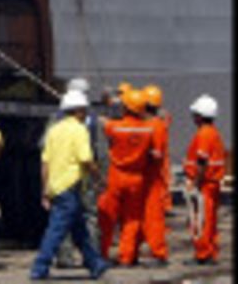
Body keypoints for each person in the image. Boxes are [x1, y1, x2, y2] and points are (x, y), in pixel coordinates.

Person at [29, 90, 110, 280]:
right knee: (56, 230)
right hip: (70, 187)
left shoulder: (54, 131)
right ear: (79, 111)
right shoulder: (79, 129)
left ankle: (95, 263)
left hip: (57, 187)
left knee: (79, 228)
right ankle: (40, 267)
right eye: (85, 110)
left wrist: (45, 190)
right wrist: (99, 177)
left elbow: (45, 163)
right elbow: (86, 159)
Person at [97, 87, 161, 266]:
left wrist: (101, 114)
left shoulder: (116, 127)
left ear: (126, 108)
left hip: (116, 176)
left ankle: (102, 253)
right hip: (137, 178)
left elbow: (104, 124)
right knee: (132, 219)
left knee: (108, 217)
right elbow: (155, 153)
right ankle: (126, 256)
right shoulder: (148, 129)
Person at [183, 95, 226, 265]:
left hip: (205, 184)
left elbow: (202, 161)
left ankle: (203, 254)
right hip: (212, 184)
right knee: (209, 220)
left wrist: (195, 184)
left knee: (201, 221)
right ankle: (210, 251)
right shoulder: (213, 133)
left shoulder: (204, 134)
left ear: (200, 115)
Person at [139, 84, 170, 264]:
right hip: (147, 177)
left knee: (153, 216)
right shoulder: (153, 123)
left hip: (152, 178)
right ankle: (150, 249)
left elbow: (157, 154)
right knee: (144, 215)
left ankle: (158, 253)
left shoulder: (155, 125)